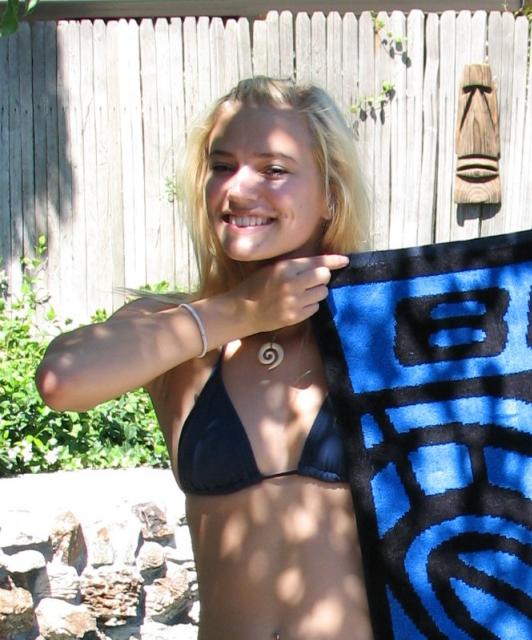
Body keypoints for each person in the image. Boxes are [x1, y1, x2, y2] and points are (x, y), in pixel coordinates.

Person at [36, 76, 373, 640]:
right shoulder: (178, 331)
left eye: (273, 169)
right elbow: (60, 379)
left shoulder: (381, 327)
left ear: (330, 193)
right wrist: (241, 312)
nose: (238, 189)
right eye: (222, 166)